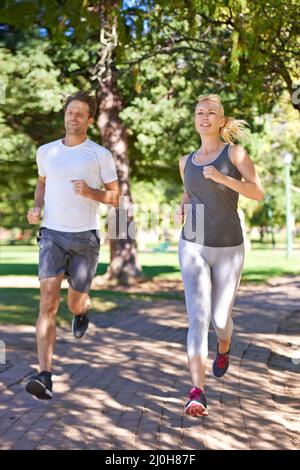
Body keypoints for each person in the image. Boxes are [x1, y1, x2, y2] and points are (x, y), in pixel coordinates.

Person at [25, 90, 119, 400]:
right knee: (48, 301)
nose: (72, 117)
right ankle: (44, 375)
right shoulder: (46, 152)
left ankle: (81, 311)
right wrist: (37, 208)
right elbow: (42, 184)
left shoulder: (99, 155)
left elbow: (115, 197)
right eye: (69, 112)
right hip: (52, 233)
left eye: (80, 114)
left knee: (74, 302)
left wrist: (91, 192)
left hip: (84, 238)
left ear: (89, 120)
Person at [177, 94, 264, 417]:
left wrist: (224, 177)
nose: (204, 116)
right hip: (193, 242)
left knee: (219, 320)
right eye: (199, 112)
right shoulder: (186, 161)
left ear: (221, 121)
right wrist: (182, 207)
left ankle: (224, 345)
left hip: (229, 245)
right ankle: (197, 392)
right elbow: (190, 192)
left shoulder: (235, 153)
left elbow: (257, 191)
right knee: (197, 318)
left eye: (211, 112)